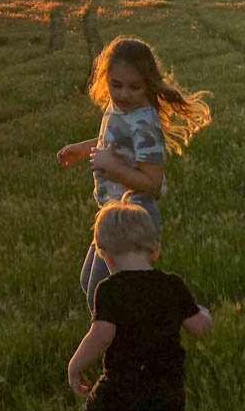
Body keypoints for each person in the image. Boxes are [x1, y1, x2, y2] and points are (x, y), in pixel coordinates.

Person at [66, 193, 212, 411]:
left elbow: (101, 335)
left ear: (105, 255)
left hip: (122, 384)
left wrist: (75, 368)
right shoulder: (173, 285)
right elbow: (199, 327)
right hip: (165, 390)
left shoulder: (109, 289)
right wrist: (204, 313)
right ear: (153, 250)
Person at [57, 36, 210, 312]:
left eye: (134, 87)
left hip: (133, 217)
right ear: (106, 80)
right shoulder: (118, 109)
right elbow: (112, 142)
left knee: (105, 294)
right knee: (89, 283)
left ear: (148, 84)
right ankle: (124, 332)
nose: (124, 94)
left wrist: (113, 168)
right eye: (116, 85)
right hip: (112, 212)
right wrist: (82, 149)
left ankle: (124, 339)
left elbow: (152, 184)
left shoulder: (145, 125)